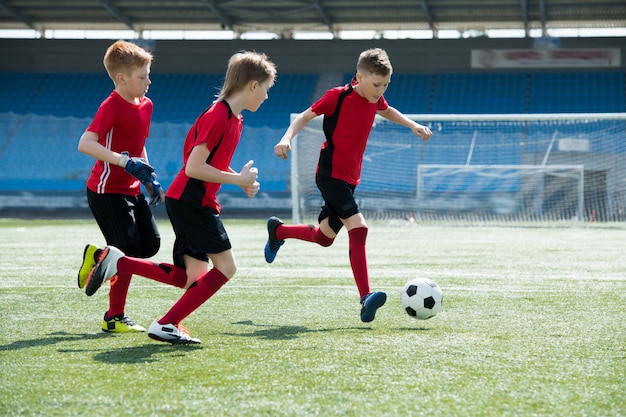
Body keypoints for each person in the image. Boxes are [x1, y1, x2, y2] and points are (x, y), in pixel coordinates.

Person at [83, 51, 277, 344]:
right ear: (252, 85)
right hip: (192, 201)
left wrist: (240, 181)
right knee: (227, 268)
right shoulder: (218, 116)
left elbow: (211, 162)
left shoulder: (233, 119)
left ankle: (122, 266)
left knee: (190, 278)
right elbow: (195, 167)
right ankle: (165, 321)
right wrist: (237, 179)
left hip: (189, 199)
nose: (266, 96)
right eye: (266, 89)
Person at [265, 48, 433, 323]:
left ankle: (279, 231)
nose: (381, 90)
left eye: (386, 85)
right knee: (360, 228)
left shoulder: (374, 98)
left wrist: (412, 125)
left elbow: (386, 109)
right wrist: (287, 138)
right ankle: (365, 296)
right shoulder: (338, 96)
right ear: (359, 77)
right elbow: (305, 116)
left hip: (350, 179)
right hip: (330, 175)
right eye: (377, 84)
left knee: (324, 237)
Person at [76, 40, 165, 333]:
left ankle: (98, 256)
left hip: (131, 189)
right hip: (105, 191)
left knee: (150, 245)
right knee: (125, 251)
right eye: (143, 77)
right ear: (121, 79)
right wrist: (125, 163)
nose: (149, 81)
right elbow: (85, 144)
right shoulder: (111, 106)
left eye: (148, 74)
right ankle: (114, 317)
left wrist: (148, 178)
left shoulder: (147, 105)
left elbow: (139, 146)